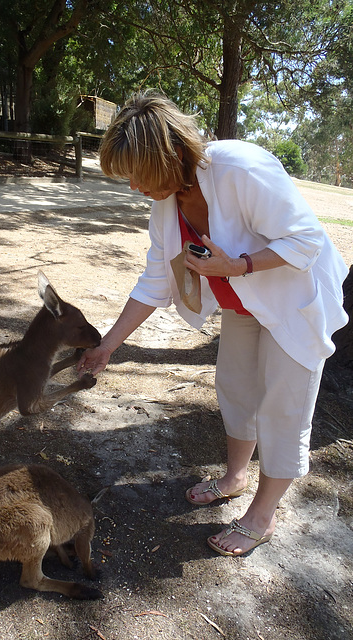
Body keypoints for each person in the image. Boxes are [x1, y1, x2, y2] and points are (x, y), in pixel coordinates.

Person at [77, 92, 349, 557]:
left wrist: (238, 267)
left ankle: (262, 516)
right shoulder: (167, 202)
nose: (134, 189)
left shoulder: (239, 167)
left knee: (283, 408)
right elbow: (156, 280)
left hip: (295, 299)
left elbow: (306, 241)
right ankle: (235, 476)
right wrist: (108, 346)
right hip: (243, 303)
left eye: (138, 176)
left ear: (172, 155)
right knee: (235, 387)